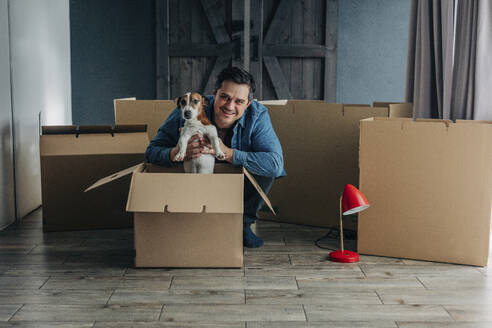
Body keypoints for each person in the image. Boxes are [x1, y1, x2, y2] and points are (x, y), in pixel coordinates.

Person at [146, 66, 285, 248]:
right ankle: (186, 222)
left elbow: (275, 164)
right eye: (225, 97)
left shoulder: (258, 115)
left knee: (264, 169)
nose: (229, 106)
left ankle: (242, 224)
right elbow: (151, 151)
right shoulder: (190, 108)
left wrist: (227, 153)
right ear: (214, 94)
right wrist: (174, 153)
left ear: (248, 104)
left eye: (239, 101)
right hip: (191, 182)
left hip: (235, 186)